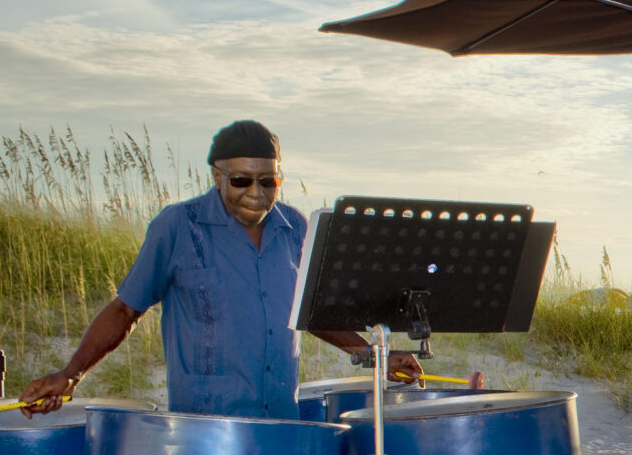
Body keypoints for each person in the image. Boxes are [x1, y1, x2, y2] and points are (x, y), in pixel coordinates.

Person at [24, 121, 414, 417]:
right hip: (207, 428)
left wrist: (372, 354)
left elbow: (308, 315)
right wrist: (72, 373)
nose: (256, 193)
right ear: (216, 176)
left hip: (281, 421)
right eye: (242, 181)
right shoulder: (177, 226)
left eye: (269, 181)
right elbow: (126, 309)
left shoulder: (295, 227)